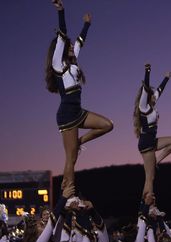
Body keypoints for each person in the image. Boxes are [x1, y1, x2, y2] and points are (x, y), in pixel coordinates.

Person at [46, 0, 113, 190]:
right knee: (71, 158)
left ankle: (80, 142)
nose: (72, 48)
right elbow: (63, 36)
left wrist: (87, 24)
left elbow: (80, 43)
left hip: (78, 112)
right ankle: (68, 194)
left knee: (107, 125)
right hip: (67, 115)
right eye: (68, 47)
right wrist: (61, 11)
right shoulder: (58, 65)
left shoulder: (73, 62)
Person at [133, 63, 171, 197]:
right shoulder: (143, 107)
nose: (155, 96)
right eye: (151, 94)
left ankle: (157, 161)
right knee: (150, 178)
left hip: (152, 141)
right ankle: (144, 211)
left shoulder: (152, 104)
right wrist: (148, 71)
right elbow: (146, 88)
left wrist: (166, 78)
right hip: (146, 144)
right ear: (146, 96)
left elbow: (160, 90)